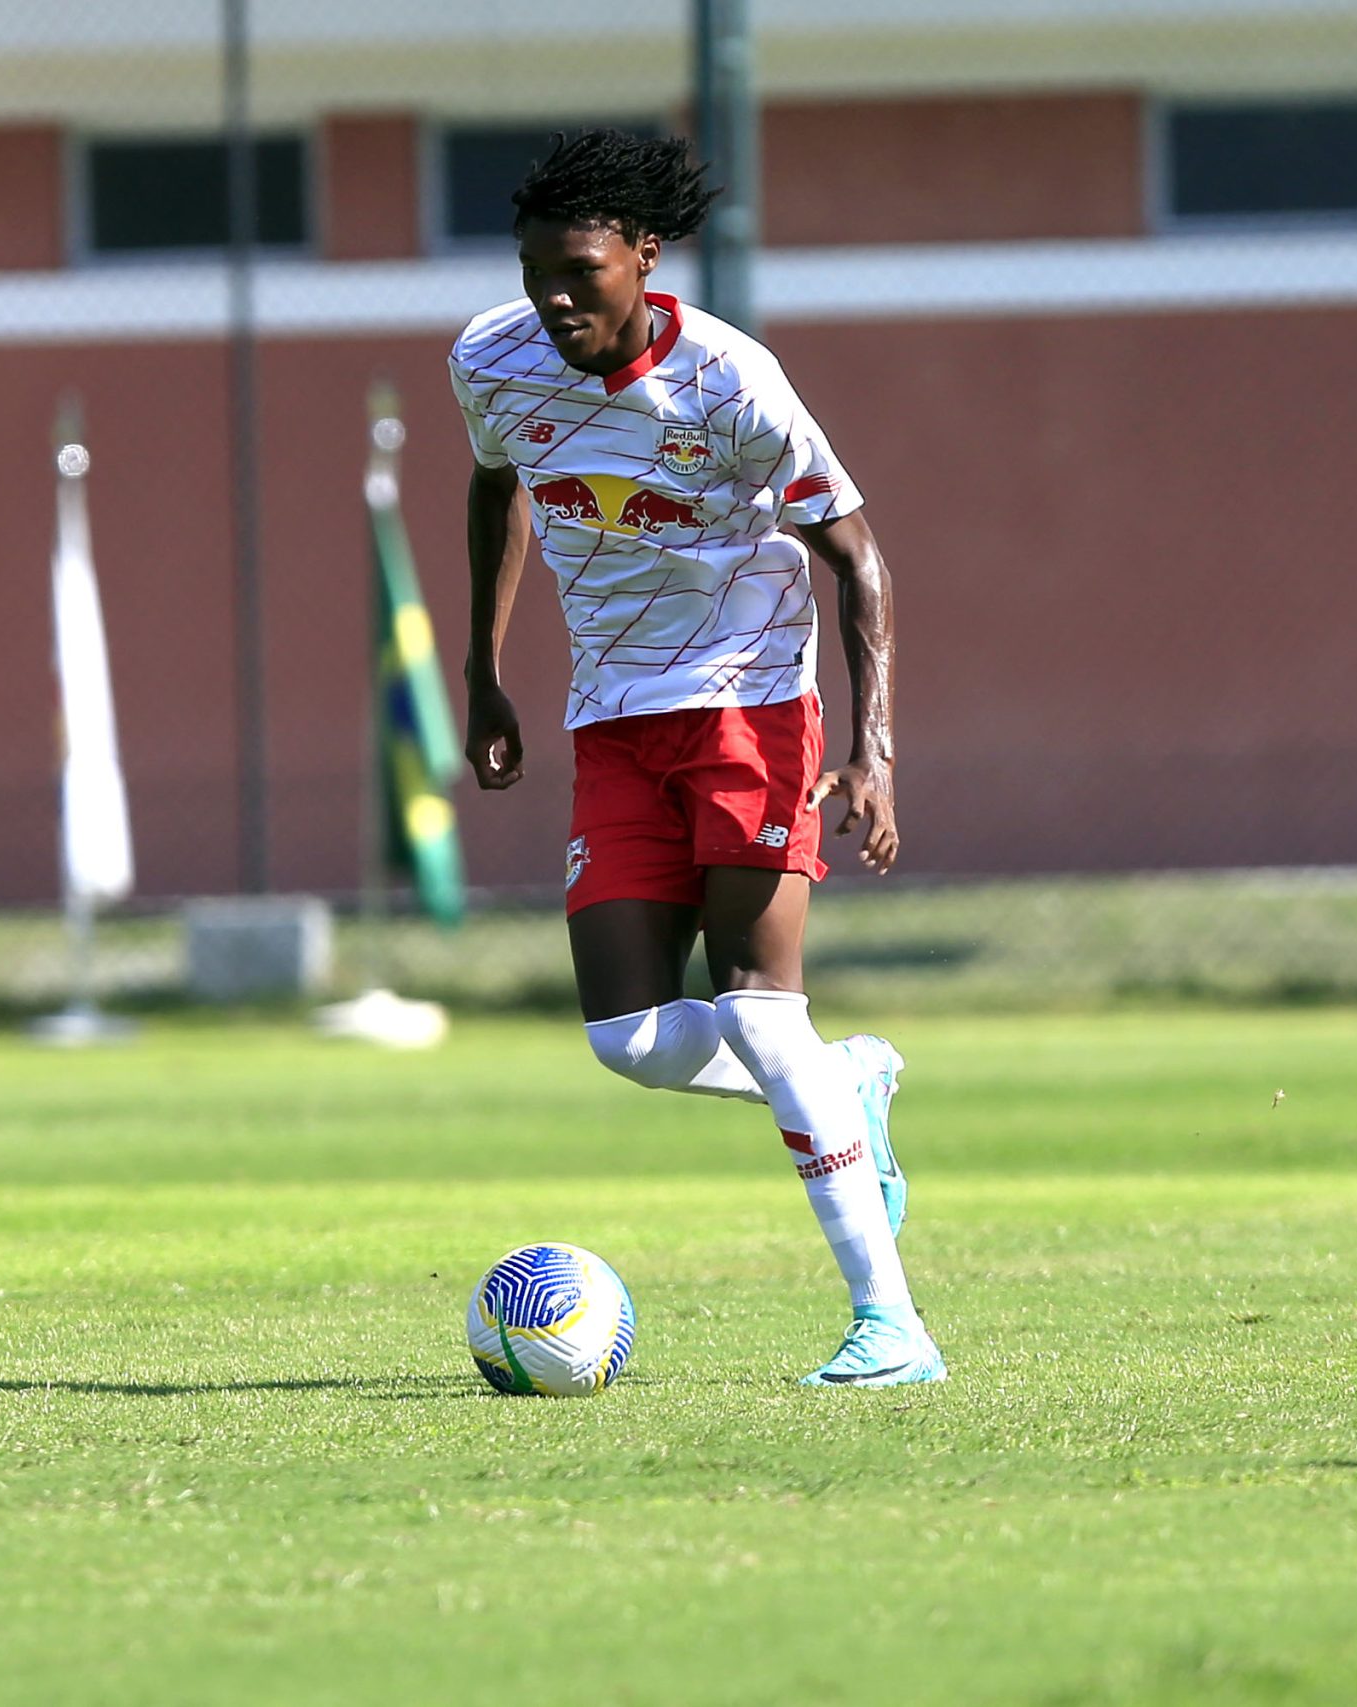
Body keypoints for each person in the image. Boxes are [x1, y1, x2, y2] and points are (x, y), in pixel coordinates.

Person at [448, 129, 942, 1389]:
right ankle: (847, 1089)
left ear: (643, 257)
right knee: (625, 1037)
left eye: (578, 270)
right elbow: (495, 486)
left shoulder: (730, 382)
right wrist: (483, 670)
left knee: (756, 1014)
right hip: (610, 719)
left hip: (750, 710)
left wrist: (872, 744)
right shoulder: (492, 359)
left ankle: (891, 1328)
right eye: (532, 270)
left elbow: (857, 555)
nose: (551, 297)